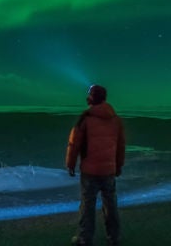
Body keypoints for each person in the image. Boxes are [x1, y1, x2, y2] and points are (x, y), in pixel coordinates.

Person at [66, 84, 126, 246]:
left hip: (90, 171)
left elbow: (74, 144)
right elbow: (120, 146)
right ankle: (114, 237)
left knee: (87, 205)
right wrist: (118, 166)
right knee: (111, 204)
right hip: (108, 170)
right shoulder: (115, 120)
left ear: (91, 98)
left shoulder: (85, 119)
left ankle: (85, 238)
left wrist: (70, 164)